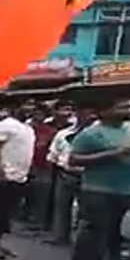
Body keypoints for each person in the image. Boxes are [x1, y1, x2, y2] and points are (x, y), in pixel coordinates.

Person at [70, 100, 130, 260]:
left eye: (129, 107)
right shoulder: (91, 133)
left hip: (124, 188)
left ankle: (82, 256)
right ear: (105, 111)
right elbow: (74, 160)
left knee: (108, 228)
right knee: (98, 229)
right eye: (122, 107)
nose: (128, 111)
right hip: (97, 189)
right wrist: (113, 154)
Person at [0, 106, 35, 260]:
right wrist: (1, 173)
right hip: (4, 177)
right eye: (26, 106)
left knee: (7, 214)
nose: (29, 110)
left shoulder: (27, 128)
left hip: (19, 177)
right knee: (0, 213)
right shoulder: (5, 125)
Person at [44, 103, 84, 247]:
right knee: (61, 206)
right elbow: (53, 155)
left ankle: (82, 239)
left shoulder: (95, 134)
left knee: (85, 210)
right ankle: (60, 236)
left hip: (88, 175)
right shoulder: (63, 134)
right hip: (65, 173)